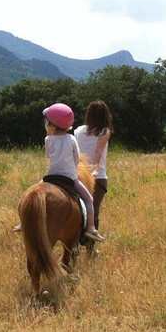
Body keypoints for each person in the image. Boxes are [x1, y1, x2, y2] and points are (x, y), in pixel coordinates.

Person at [42, 103, 105, 242]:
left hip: (50, 176)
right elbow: (77, 157)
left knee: (33, 192)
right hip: (70, 177)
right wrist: (72, 167)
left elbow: (48, 156)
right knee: (89, 199)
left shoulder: (48, 139)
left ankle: (24, 222)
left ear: (50, 124)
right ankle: (91, 228)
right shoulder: (71, 139)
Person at [73, 100, 113, 231]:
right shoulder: (104, 131)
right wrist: (94, 167)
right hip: (98, 176)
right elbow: (98, 151)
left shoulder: (78, 130)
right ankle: (91, 240)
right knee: (94, 210)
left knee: (78, 210)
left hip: (79, 174)